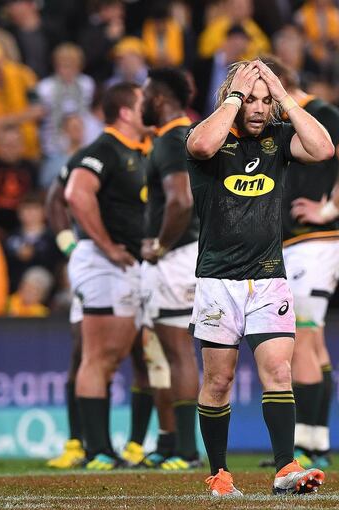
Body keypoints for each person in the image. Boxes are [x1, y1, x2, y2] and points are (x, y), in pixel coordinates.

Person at [186, 59, 333, 496]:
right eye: (251, 98)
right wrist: (234, 96)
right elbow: (199, 147)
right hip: (218, 281)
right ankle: (219, 473)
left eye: (263, 101)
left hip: (269, 277)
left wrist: (284, 98)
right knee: (218, 380)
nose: (257, 108)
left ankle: (286, 467)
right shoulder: (208, 137)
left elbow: (324, 149)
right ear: (231, 99)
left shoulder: (279, 138)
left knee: (278, 370)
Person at [269, 56, 339, 469]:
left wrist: (330, 209)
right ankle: (318, 442)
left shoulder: (320, 111)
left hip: (315, 242)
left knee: (303, 340)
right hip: (303, 245)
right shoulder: (299, 118)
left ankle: (306, 448)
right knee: (316, 343)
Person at [63, 82, 149, 470]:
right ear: (127, 112)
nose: (153, 104)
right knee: (99, 356)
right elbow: (75, 194)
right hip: (105, 263)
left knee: (125, 356)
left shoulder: (141, 149)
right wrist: (107, 245)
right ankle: (96, 448)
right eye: (144, 101)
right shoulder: (104, 148)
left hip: (131, 265)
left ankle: (113, 447)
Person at [137, 68, 202, 470]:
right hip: (177, 258)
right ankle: (168, 440)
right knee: (157, 352)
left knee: (177, 353)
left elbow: (181, 200)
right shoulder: (180, 137)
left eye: (145, 94)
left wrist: (160, 244)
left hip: (176, 259)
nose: (141, 101)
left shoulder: (173, 140)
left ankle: (187, 450)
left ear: (158, 99)